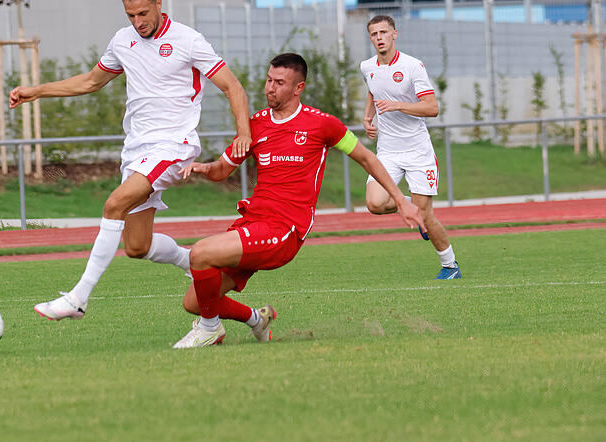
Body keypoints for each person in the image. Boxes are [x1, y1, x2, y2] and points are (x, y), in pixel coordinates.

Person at [9, 0, 252, 321]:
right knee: (137, 247)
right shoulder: (123, 41)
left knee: (114, 204)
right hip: (137, 150)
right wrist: (36, 91)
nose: (138, 22)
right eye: (131, 15)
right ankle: (194, 262)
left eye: (143, 13)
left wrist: (242, 132)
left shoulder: (188, 40)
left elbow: (233, 87)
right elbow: (92, 81)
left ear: (158, 3)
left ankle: (78, 298)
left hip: (173, 146)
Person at [172, 53, 425, 348]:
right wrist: (206, 168)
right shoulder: (255, 124)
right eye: (269, 80)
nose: (270, 88)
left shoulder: (322, 125)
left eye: (279, 83)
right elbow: (223, 170)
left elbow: (367, 159)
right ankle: (257, 319)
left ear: (298, 88)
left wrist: (401, 200)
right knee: (196, 300)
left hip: (284, 230)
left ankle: (210, 330)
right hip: (253, 222)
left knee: (199, 254)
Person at [360, 15, 461, 280]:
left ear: (395, 34)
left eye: (384, 32)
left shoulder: (412, 66)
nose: (379, 37)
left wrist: (397, 105)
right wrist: (367, 117)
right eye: (374, 34)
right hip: (388, 152)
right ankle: (412, 207)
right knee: (374, 203)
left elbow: (432, 108)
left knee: (425, 216)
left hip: (418, 153)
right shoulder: (367, 66)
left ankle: (450, 266)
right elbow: (373, 90)